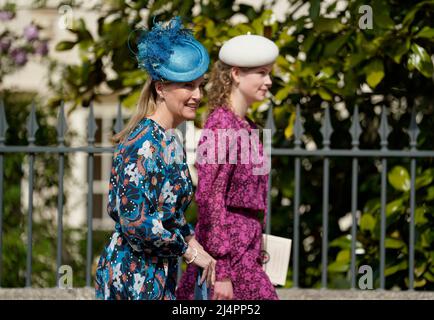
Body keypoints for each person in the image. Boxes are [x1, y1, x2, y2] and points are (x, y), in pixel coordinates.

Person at [95, 16, 216, 300]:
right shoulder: (143, 144)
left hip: (157, 274)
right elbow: (135, 222)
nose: (197, 95)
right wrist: (187, 251)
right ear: (161, 88)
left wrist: (193, 243)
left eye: (200, 85)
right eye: (188, 85)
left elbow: (168, 215)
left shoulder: (169, 139)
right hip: (133, 275)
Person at [176, 34, 280, 300]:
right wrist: (220, 270)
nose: (269, 81)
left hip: (247, 250)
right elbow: (210, 197)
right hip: (230, 256)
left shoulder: (247, 127)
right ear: (235, 74)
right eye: (262, 73)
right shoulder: (222, 124)